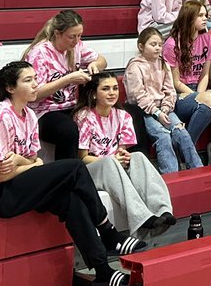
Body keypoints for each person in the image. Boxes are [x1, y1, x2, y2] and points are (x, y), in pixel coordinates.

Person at [0, 61, 129, 286]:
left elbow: (36, 160)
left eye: (35, 79)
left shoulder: (30, 115)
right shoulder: (1, 116)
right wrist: (31, 165)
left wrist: (23, 162)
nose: (35, 85)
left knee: (70, 200)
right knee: (74, 167)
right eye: (28, 80)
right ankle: (108, 231)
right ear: (10, 88)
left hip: (16, 183)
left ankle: (102, 269)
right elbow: (3, 175)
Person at [74, 72, 175, 240]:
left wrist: (123, 157)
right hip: (93, 169)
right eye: (105, 89)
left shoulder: (123, 116)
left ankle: (163, 210)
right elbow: (83, 157)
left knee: (138, 157)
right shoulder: (84, 117)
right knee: (109, 163)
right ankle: (141, 218)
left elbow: (122, 151)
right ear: (93, 93)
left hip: (114, 166)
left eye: (114, 88)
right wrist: (113, 160)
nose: (112, 93)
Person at [23, 10, 108, 160]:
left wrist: (95, 64)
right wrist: (67, 79)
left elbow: (102, 60)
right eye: (72, 36)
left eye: (79, 36)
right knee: (68, 130)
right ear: (57, 33)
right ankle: (66, 174)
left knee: (101, 117)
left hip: (70, 106)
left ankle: (98, 167)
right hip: (43, 111)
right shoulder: (40, 54)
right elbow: (34, 95)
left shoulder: (77, 46)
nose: (76, 40)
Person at [165, 1, 211, 166]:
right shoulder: (172, 44)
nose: (206, 18)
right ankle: (184, 152)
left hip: (199, 89)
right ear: (189, 18)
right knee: (210, 100)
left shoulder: (207, 39)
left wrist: (201, 94)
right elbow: (175, 81)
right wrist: (198, 97)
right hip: (179, 94)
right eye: (201, 15)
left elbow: (205, 75)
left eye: (205, 15)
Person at [123, 28, 203, 173]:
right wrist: (157, 113)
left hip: (164, 108)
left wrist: (166, 107)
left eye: (160, 45)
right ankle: (170, 174)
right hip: (144, 112)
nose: (157, 48)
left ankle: (197, 170)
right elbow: (138, 96)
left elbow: (170, 90)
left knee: (182, 133)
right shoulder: (135, 67)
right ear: (141, 46)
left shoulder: (163, 63)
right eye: (153, 44)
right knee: (163, 136)